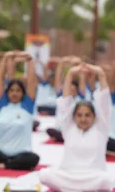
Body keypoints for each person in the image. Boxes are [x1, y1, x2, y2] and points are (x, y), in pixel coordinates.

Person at [39, 63, 114, 192]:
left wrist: (101, 73)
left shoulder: (101, 129)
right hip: (68, 175)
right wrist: (70, 74)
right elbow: (66, 101)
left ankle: (72, 188)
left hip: (93, 177)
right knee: (44, 175)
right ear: (73, 117)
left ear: (94, 117)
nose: (83, 119)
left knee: (107, 180)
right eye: (79, 115)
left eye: (87, 115)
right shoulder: (69, 128)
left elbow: (105, 102)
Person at [0, 51, 40, 171]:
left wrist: (30, 61)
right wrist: (5, 59)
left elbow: (31, 81)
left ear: (23, 93)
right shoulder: (3, 105)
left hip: (21, 153)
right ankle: (11, 163)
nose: (15, 93)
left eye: (18, 91)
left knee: (33, 158)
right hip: (0, 152)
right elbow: (0, 80)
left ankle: (2, 165)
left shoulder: (27, 106)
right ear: (7, 93)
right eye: (11, 90)